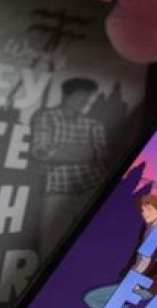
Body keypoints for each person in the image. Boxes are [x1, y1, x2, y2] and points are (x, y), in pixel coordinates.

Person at [29, 194, 157, 308]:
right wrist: (127, 274)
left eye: (148, 209)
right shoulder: (148, 227)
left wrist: (144, 283)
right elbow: (141, 257)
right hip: (130, 278)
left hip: (142, 284)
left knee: (91, 297)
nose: (144, 213)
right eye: (142, 210)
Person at [31, 77, 108, 258]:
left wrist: (60, 148)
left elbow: (99, 154)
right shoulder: (47, 117)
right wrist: (84, 152)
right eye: (81, 96)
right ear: (67, 95)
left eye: (88, 97)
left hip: (91, 188)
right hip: (58, 189)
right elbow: (41, 150)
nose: (85, 101)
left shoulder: (93, 124)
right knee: (50, 246)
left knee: (93, 244)